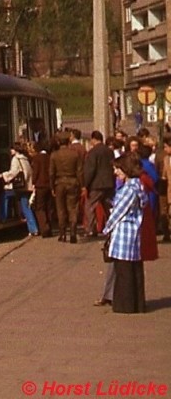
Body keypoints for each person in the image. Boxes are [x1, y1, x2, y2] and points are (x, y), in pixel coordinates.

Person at [101, 153, 148, 313]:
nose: (115, 172)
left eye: (117, 169)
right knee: (134, 271)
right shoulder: (137, 186)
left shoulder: (129, 189)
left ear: (126, 169)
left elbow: (118, 212)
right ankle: (137, 304)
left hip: (123, 234)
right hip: (133, 233)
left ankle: (125, 305)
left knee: (124, 273)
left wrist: (106, 228)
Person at [50, 131, 83, 243]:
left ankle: (62, 234)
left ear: (59, 142)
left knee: (61, 209)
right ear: (69, 141)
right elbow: (79, 171)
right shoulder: (75, 154)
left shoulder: (54, 155)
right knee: (73, 208)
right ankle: (73, 233)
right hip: (73, 182)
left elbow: (51, 173)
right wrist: (82, 185)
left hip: (59, 183)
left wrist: (52, 187)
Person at [0, 141, 38, 235]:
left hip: (20, 187)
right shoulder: (25, 159)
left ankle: (3, 217)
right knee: (26, 206)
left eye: (11, 149)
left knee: (5, 195)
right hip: (27, 186)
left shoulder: (15, 159)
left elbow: (13, 172)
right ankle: (32, 227)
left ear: (15, 150)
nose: (10, 151)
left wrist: (2, 175)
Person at [82, 131, 115, 237]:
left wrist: (85, 184)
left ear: (93, 139)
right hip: (109, 183)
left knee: (90, 206)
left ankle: (91, 229)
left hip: (96, 184)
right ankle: (112, 227)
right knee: (108, 206)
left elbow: (90, 170)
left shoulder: (92, 153)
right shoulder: (109, 151)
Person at [30, 137, 53, 237]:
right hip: (49, 185)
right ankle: (50, 227)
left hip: (40, 185)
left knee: (40, 208)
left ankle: (44, 228)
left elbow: (35, 172)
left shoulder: (36, 158)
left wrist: (33, 182)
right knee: (49, 207)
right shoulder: (50, 157)